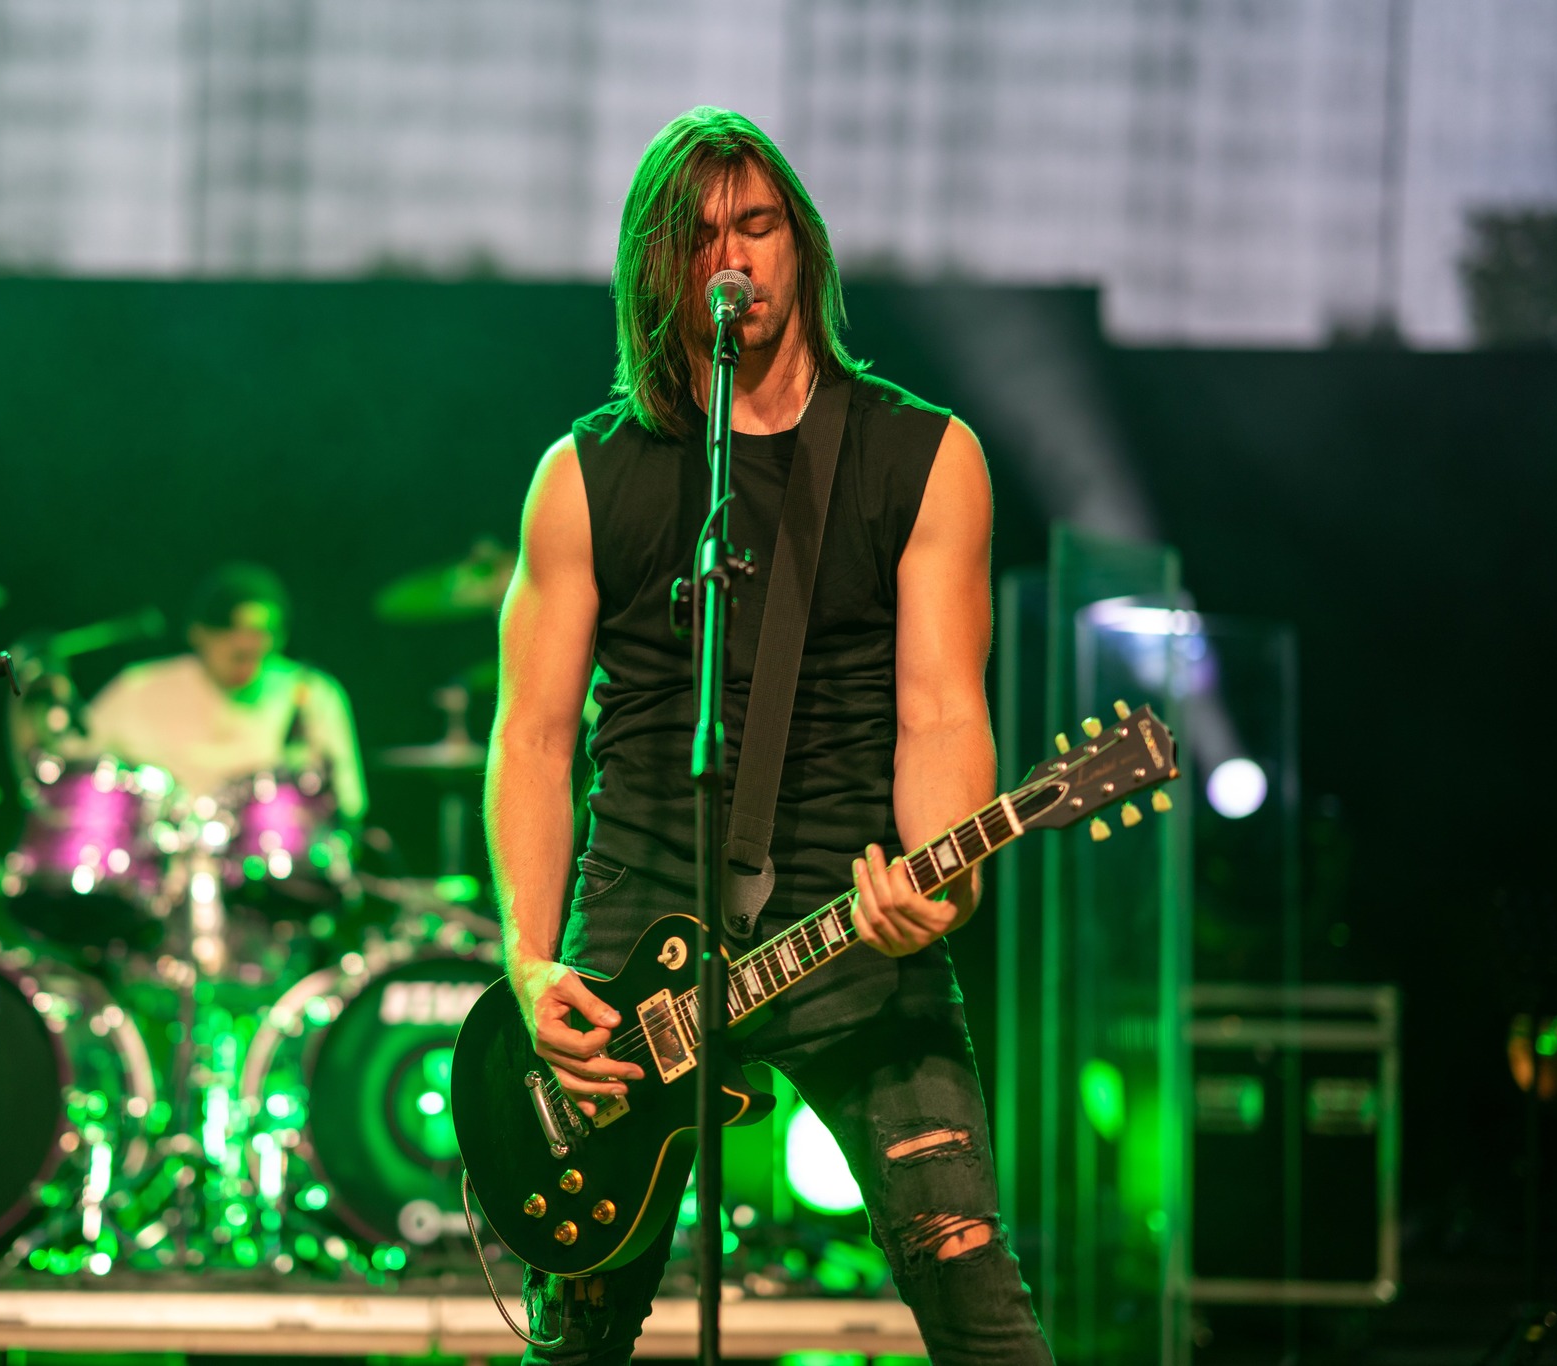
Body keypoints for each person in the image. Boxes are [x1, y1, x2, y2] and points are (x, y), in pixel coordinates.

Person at [484, 108, 1053, 1365]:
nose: (732, 258)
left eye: (756, 225)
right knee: (578, 1333)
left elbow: (940, 708)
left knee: (969, 1278)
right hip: (634, 926)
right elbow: (530, 739)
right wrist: (527, 963)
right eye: (699, 238)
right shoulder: (584, 474)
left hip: (849, 919)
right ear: (657, 268)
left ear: (801, 243)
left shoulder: (923, 454)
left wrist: (940, 878)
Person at [79, 563, 366, 818]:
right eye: (236, 649)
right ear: (198, 632)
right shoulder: (138, 687)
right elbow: (74, 766)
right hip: (156, 857)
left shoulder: (312, 693)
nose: (249, 652)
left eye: (261, 642)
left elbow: (348, 803)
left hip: (270, 860)